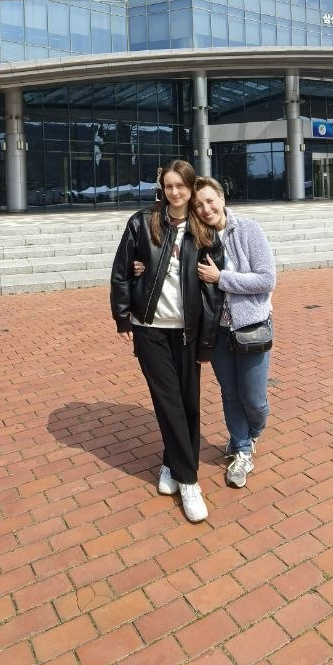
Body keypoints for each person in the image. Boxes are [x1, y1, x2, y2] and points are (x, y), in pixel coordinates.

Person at [110, 161, 224, 522]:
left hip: (188, 330)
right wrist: (122, 316)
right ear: (162, 187)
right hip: (150, 329)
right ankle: (189, 481)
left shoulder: (202, 229)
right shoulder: (143, 222)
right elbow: (121, 271)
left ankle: (170, 462)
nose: (175, 192)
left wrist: (207, 340)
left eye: (181, 186)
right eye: (169, 186)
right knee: (168, 401)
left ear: (190, 188)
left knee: (188, 403)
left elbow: (213, 294)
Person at [192, 177, 276, 490]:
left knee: (253, 399)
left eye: (209, 201)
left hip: (251, 327)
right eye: (198, 205)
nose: (205, 209)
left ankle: (252, 432)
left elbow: (266, 280)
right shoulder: (196, 238)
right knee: (229, 392)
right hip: (217, 331)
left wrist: (221, 278)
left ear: (222, 199)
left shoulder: (248, 230)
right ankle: (241, 449)